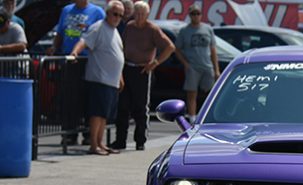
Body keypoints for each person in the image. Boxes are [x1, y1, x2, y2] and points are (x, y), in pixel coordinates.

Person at [112, 1, 174, 151]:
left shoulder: (152, 29)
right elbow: (122, 46)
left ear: (147, 15)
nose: (139, 17)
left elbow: (170, 47)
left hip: (142, 71)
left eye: (142, 14)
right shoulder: (129, 26)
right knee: (123, 106)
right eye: (137, 13)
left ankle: (140, 140)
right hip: (127, 67)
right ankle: (120, 140)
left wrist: (155, 62)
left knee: (140, 107)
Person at [70, 1, 125, 156]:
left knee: (104, 115)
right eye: (115, 14)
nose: (117, 18)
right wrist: (75, 53)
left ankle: (101, 143)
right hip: (99, 79)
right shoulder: (98, 27)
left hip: (111, 81)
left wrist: (120, 76)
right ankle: (94, 145)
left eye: (120, 15)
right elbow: (84, 41)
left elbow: (116, 55)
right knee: (97, 114)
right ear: (107, 13)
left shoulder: (114, 31)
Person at [48, 0, 105, 146]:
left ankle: (87, 133)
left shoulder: (97, 12)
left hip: (87, 59)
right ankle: (69, 134)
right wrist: (54, 47)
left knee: (87, 96)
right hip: (69, 60)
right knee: (69, 98)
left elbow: (102, 34)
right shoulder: (66, 10)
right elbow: (60, 33)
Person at [175, 4, 220, 122]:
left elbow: (213, 49)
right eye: (193, 14)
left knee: (211, 93)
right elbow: (177, 49)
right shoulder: (184, 31)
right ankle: (192, 118)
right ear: (189, 15)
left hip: (207, 65)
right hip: (192, 66)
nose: (195, 16)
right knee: (191, 93)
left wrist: (216, 69)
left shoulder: (208, 29)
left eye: (198, 13)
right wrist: (185, 63)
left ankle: (209, 117)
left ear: (201, 15)